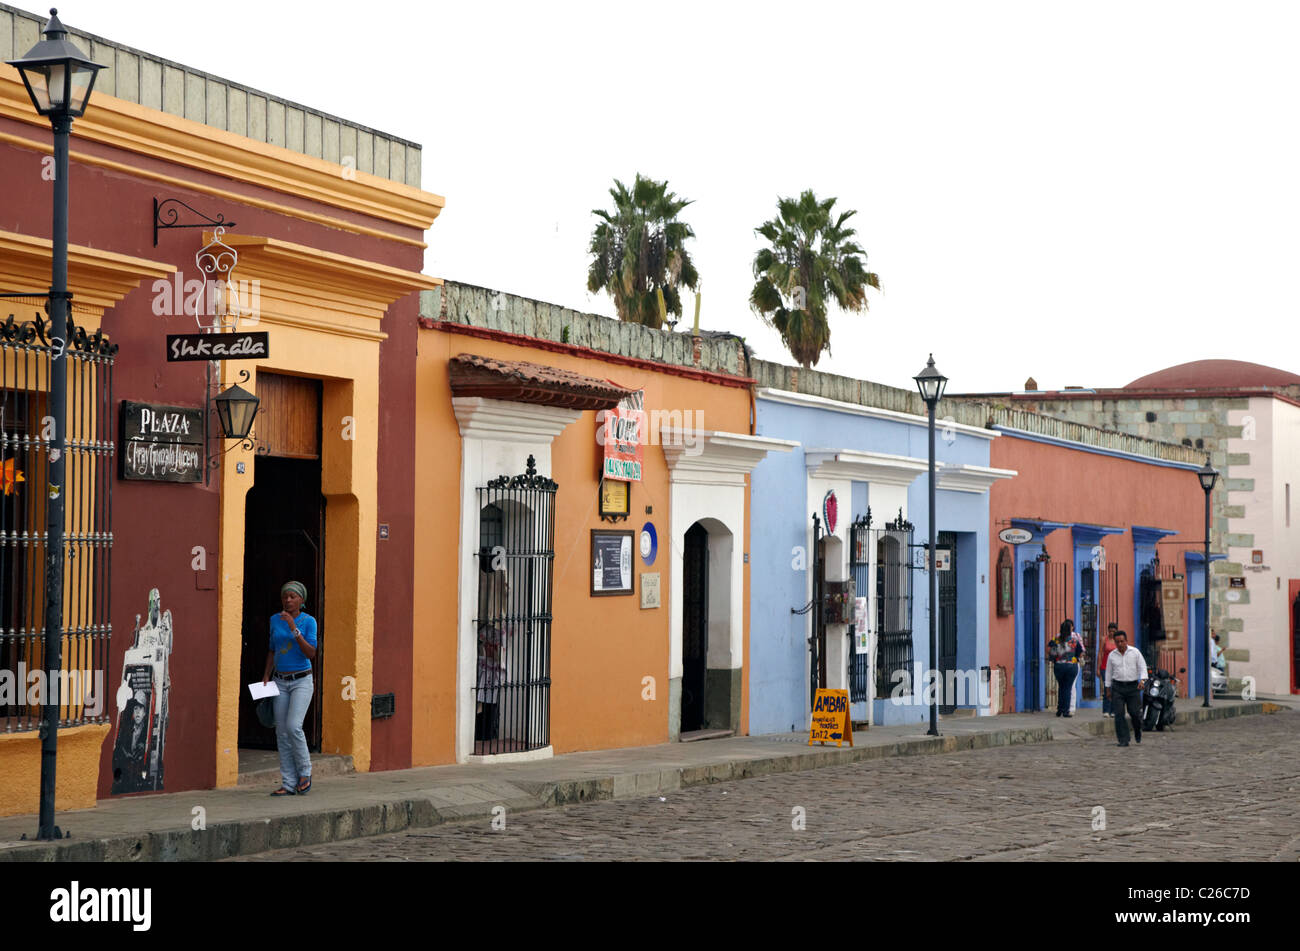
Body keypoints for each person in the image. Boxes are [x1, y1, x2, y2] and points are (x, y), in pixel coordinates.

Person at [262, 581, 318, 796]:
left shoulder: (308, 621)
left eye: (293, 596)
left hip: (302, 680)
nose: (288, 600)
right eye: (285, 596)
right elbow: (272, 649)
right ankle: (288, 782)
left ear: (301, 601)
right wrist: (267, 674)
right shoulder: (274, 620)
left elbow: (310, 653)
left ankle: (305, 772)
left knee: (294, 726)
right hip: (280, 681)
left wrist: (294, 629)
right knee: (282, 732)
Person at [1104, 629, 1148, 747]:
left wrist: (1142, 680)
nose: (1120, 644)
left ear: (1126, 641)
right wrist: (1108, 689)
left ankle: (1137, 730)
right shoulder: (1112, 656)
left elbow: (1143, 667)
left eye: (1122, 641)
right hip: (1118, 687)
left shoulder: (1135, 652)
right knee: (1119, 714)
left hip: (1132, 687)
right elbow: (1108, 673)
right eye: (1117, 642)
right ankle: (1123, 739)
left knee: (1134, 713)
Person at [1047, 619, 1082, 718]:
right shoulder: (1074, 641)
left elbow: (1049, 650)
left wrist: (1055, 656)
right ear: (1070, 630)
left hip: (1059, 667)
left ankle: (1059, 709)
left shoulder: (1056, 640)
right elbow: (1080, 653)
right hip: (1071, 667)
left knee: (1061, 687)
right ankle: (1066, 710)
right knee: (1068, 688)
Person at [1098, 623, 1118, 717]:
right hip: (1105, 667)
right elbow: (1100, 653)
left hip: (1116, 669)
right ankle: (1106, 710)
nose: (1112, 633)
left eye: (1114, 631)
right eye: (1110, 631)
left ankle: (1113, 710)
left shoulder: (1118, 641)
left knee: (1115, 689)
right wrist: (1098, 668)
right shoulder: (1104, 639)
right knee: (1107, 689)